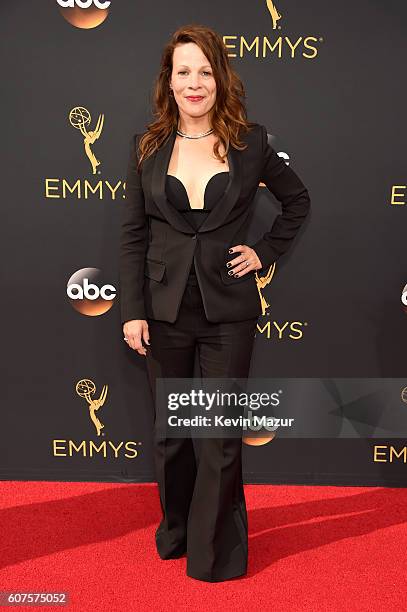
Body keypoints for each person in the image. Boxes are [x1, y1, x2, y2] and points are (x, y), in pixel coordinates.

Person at [119, 23, 311, 582]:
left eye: (205, 71)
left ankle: (215, 553)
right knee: (173, 435)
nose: (195, 82)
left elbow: (297, 201)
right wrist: (131, 310)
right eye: (184, 72)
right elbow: (133, 235)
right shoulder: (147, 146)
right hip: (163, 311)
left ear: (220, 79)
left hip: (229, 312)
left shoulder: (251, 142)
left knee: (220, 435)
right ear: (169, 82)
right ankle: (176, 531)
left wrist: (264, 252)